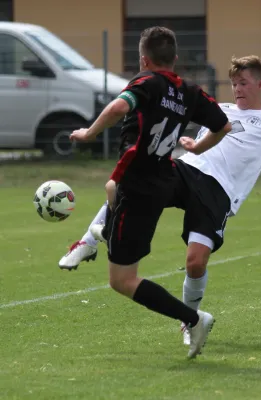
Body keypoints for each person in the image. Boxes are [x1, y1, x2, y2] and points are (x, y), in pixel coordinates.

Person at [60, 54, 261, 345]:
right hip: (187, 169)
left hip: (218, 193)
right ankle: (87, 242)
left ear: (260, 84)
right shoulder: (220, 109)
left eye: (243, 83)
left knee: (195, 262)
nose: (237, 89)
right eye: (233, 83)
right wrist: (188, 144)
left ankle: (189, 322)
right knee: (134, 181)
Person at [66, 26, 232, 359]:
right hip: (162, 179)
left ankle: (194, 319)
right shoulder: (190, 91)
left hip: (138, 183)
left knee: (122, 280)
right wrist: (198, 148)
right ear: (175, 59)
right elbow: (223, 125)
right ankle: (102, 234)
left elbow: (117, 108)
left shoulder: (145, 83)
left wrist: (88, 133)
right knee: (110, 188)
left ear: (144, 59)